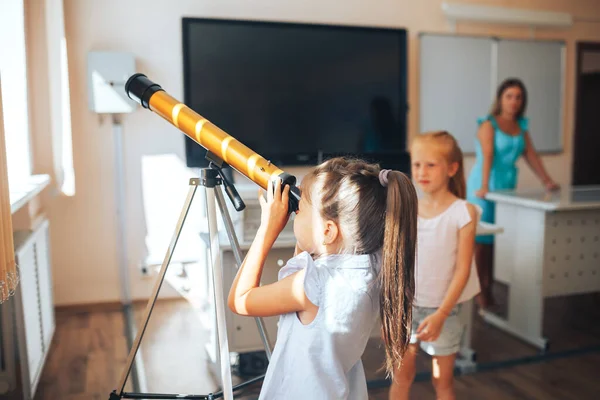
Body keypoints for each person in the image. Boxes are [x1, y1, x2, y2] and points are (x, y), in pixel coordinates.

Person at [228, 157, 418, 399]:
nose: (295, 212)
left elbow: (240, 300)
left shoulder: (314, 283)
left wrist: (267, 229)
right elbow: (317, 252)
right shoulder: (372, 267)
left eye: (301, 209)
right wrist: (307, 223)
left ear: (328, 231)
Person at [390, 131, 480, 400]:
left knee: (442, 382)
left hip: (445, 312)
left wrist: (441, 314)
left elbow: (463, 270)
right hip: (406, 307)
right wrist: (391, 313)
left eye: (431, 164)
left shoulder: (464, 212)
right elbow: (397, 264)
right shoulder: (407, 208)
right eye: (417, 164)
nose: (421, 172)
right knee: (401, 377)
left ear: (452, 168)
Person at [466, 78, 559, 308]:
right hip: (484, 187)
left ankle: (489, 285)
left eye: (518, 97)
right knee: (482, 241)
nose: (514, 101)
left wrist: (547, 180)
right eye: (509, 96)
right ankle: (480, 291)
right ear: (500, 99)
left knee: (499, 240)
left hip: (508, 188)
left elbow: (531, 156)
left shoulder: (521, 127)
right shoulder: (488, 124)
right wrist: (485, 186)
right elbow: (487, 154)